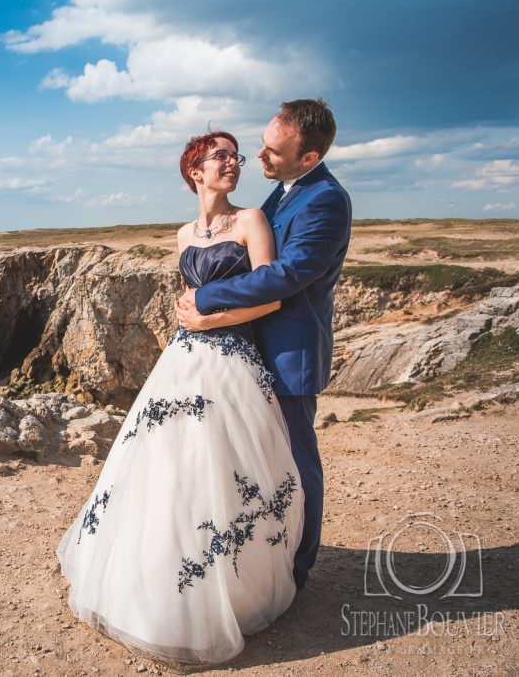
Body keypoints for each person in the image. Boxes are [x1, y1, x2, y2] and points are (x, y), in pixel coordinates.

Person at [55, 129, 305, 665]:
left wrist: (209, 317)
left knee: (220, 466)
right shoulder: (183, 233)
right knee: (166, 465)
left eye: (236, 157)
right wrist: (190, 320)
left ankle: (229, 588)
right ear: (195, 170)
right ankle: (155, 577)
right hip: (183, 358)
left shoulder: (251, 221)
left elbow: (270, 298)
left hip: (230, 359)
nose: (232, 164)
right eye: (221, 157)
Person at [176, 99, 352, 592]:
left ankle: (299, 565)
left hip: (289, 352)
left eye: (274, 151)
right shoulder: (284, 194)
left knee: (296, 460)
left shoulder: (324, 200)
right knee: (250, 461)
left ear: (309, 157)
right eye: (264, 145)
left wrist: (206, 298)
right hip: (243, 355)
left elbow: (286, 274)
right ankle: (257, 553)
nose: (261, 157)